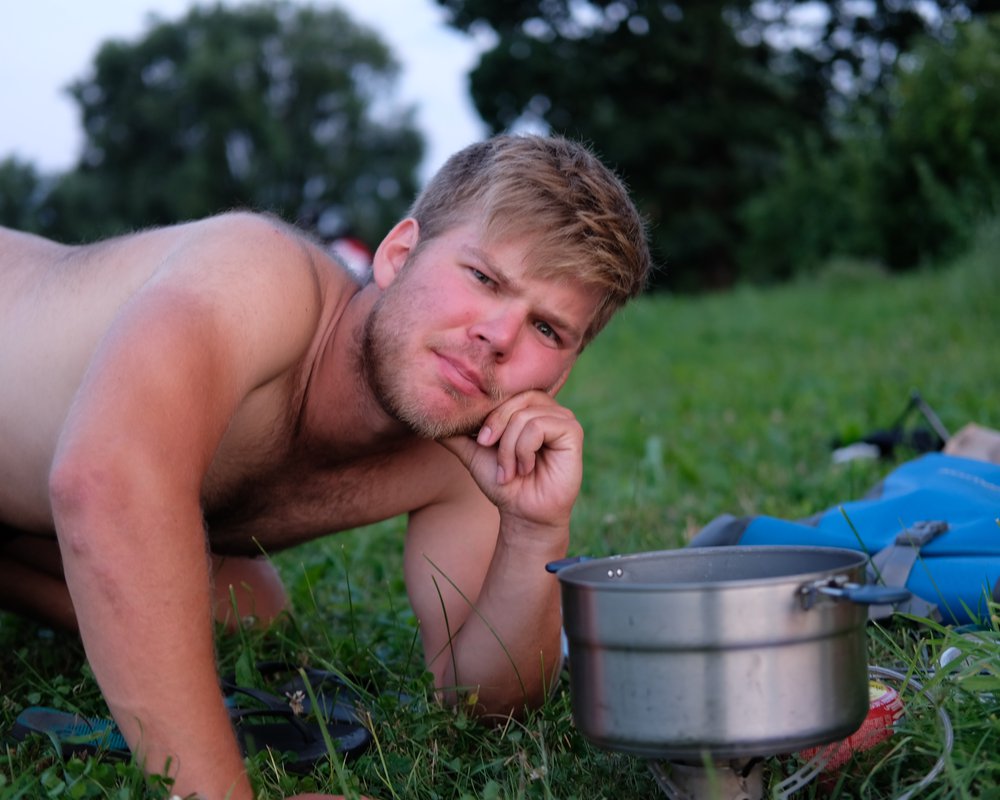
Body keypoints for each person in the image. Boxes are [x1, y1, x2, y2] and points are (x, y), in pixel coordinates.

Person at [0, 134, 651, 800]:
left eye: (546, 329)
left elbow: (481, 702)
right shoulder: (256, 276)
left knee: (248, 610)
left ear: (562, 373)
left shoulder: (461, 449)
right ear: (399, 254)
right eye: (483, 278)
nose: (499, 336)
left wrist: (535, 531)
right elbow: (105, 483)